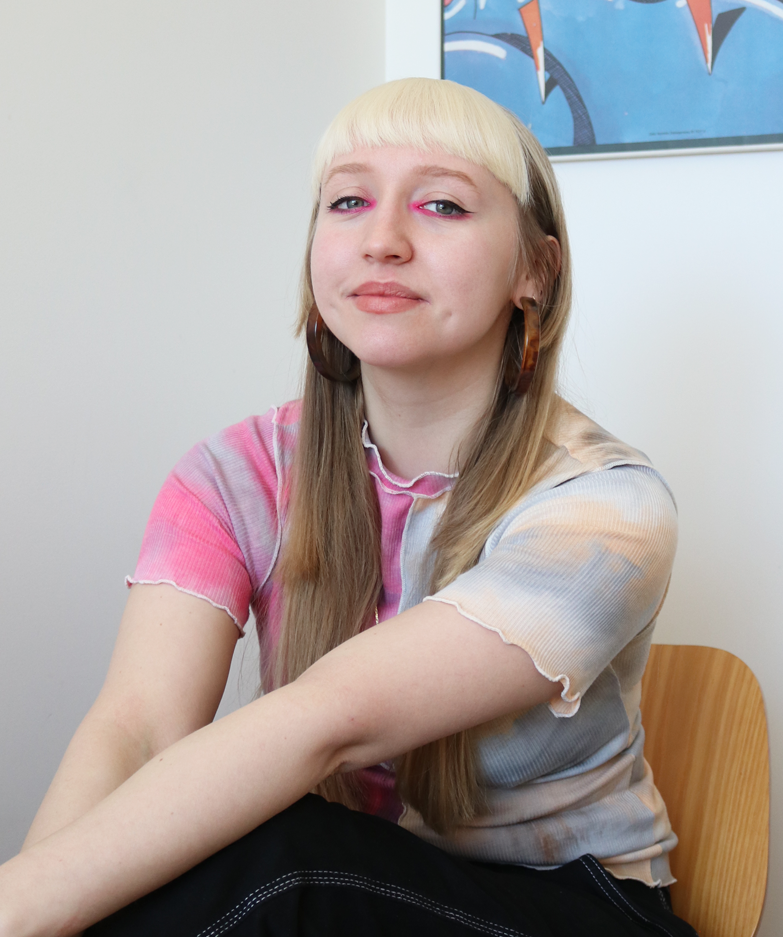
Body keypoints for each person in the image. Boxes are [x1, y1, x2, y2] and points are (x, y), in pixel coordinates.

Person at [0, 78, 695, 936]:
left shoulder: (604, 504)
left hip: (572, 904)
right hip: (339, 885)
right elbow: (137, 730)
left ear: (533, 272)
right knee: (162, 850)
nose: (382, 239)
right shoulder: (235, 473)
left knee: (272, 855)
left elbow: (326, 723)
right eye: (349, 200)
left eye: (441, 204)